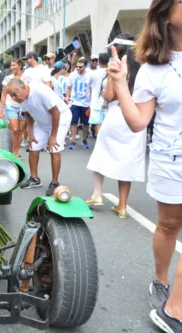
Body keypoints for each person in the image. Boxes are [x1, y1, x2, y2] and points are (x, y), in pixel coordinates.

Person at [107, 1, 182, 331]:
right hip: (171, 162)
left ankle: (175, 308)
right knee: (168, 226)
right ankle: (160, 281)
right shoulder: (154, 69)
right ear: (166, 14)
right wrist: (121, 83)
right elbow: (138, 121)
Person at [85, 34, 146, 219]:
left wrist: (109, 84)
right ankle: (122, 205)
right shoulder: (144, 67)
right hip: (137, 116)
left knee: (100, 153)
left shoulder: (117, 65)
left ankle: (97, 194)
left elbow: (110, 96)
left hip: (118, 115)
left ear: (116, 49)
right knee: (128, 160)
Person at [6, 78, 72, 196]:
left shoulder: (40, 91)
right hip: (42, 121)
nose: (14, 98)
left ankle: (54, 182)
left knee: (54, 148)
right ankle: (34, 179)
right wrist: (30, 134)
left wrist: (53, 136)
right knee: (33, 146)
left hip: (61, 118)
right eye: (11, 96)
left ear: (24, 88)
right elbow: (28, 115)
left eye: (14, 94)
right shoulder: (21, 98)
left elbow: (56, 113)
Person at [0, 59, 26, 158]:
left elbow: (28, 94)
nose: (12, 68)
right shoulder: (7, 79)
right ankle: (12, 152)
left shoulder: (27, 78)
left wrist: (24, 108)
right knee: (14, 129)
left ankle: (16, 151)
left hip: (23, 107)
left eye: (14, 65)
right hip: (10, 106)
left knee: (20, 130)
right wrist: (1, 110)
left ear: (20, 65)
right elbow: (3, 94)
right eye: (11, 66)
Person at [65, 58, 92, 149]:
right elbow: (68, 87)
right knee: (73, 122)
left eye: (80, 67)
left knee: (85, 123)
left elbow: (92, 88)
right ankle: (73, 141)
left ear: (85, 66)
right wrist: (67, 97)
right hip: (75, 102)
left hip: (86, 103)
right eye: (77, 67)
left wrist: (92, 101)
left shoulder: (90, 75)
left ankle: (84, 139)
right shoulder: (72, 75)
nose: (78, 68)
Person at [88, 52, 110, 136]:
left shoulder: (94, 73)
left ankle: (99, 142)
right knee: (106, 124)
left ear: (99, 61)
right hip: (108, 101)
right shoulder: (111, 72)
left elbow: (88, 84)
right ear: (108, 61)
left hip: (96, 102)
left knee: (98, 123)